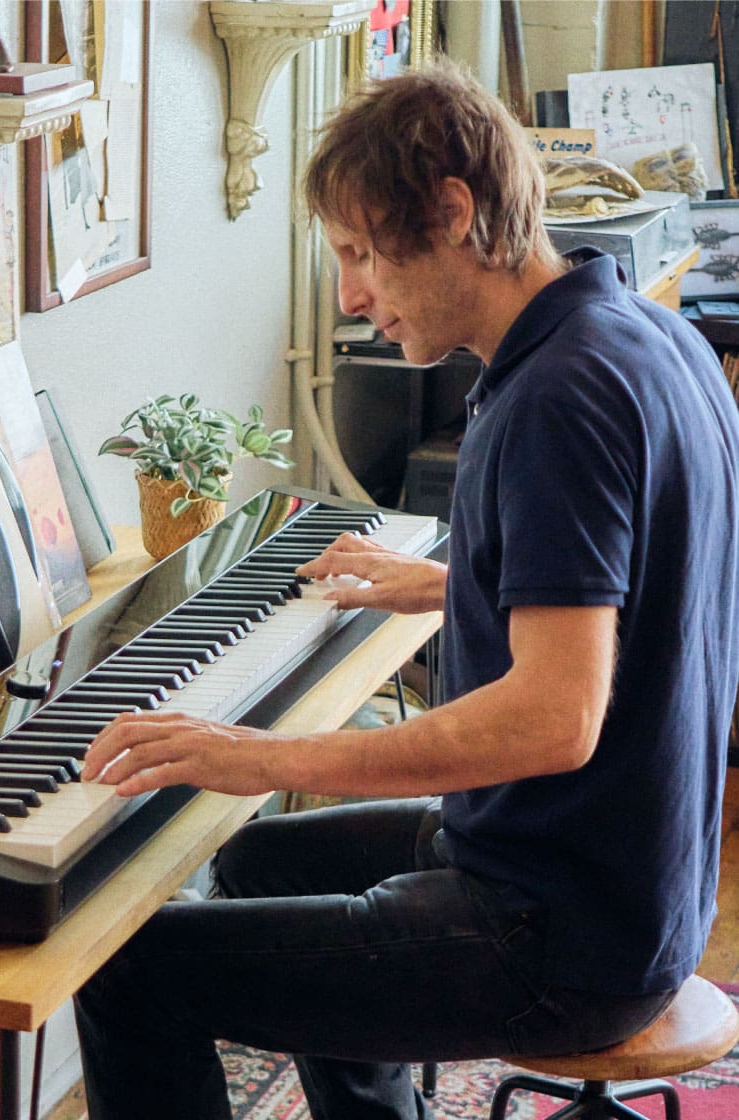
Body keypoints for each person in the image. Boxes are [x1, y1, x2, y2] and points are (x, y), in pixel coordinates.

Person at [74, 59, 739, 1120]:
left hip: (558, 931)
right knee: (253, 866)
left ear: (453, 214)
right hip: (628, 881)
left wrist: (261, 757)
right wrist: (450, 582)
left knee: (126, 971)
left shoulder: (554, 400)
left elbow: (555, 719)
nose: (351, 297)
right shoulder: (648, 337)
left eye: (360, 253)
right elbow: (631, 588)